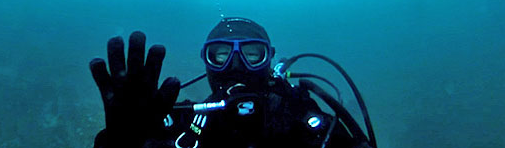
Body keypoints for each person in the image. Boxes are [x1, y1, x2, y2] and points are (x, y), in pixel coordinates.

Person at [89, 17, 375, 148]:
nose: (236, 66)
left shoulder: (307, 121)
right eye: (221, 55)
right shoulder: (181, 125)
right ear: (206, 62)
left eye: (252, 54)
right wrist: (120, 143)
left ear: (269, 59)